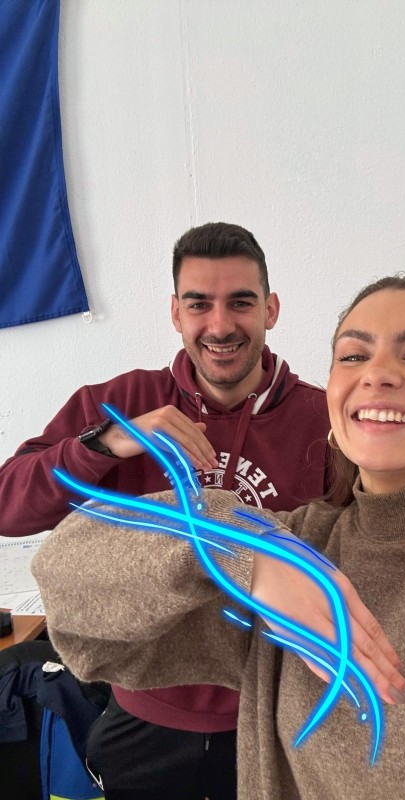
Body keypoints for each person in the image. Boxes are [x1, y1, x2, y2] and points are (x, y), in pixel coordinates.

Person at [33, 276, 405, 800]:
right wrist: (244, 551)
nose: (377, 374)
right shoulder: (298, 548)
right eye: (354, 356)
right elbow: (66, 577)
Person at [0, 222, 330, 800]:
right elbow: (9, 507)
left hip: (279, 714)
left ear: (271, 310)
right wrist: (106, 444)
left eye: (241, 302)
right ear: (176, 313)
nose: (220, 326)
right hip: (141, 715)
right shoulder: (122, 402)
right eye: (199, 304)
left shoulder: (326, 419)